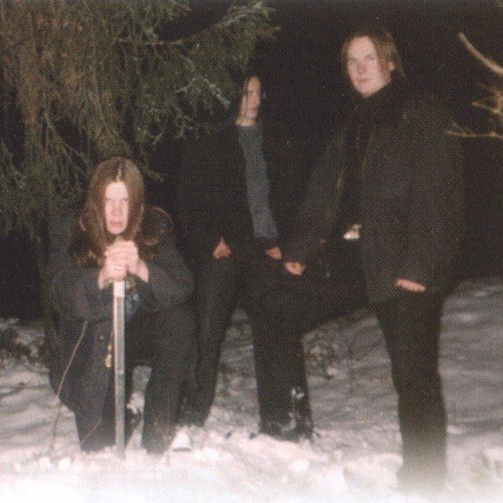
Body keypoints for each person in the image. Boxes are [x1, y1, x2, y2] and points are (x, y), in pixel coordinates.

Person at [283, 25, 464, 492]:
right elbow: (325, 190)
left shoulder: (420, 112)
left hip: (412, 266)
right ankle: (419, 477)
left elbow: (437, 191)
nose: (360, 69)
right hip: (381, 266)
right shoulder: (356, 124)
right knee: (406, 375)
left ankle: (424, 484)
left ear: (390, 62)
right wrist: (300, 247)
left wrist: (420, 264)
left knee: (415, 376)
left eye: (369, 58)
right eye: (352, 61)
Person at [177, 74, 312, 440]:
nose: (255, 100)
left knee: (276, 328)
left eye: (258, 92)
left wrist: (285, 240)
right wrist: (210, 241)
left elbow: (294, 193)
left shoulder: (275, 140)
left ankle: (283, 419)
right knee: (207, 329)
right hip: (226, 250)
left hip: (267, 248)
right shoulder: (211, 142)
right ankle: (190, 413)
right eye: (247, 93)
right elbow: (189, 199)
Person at [47, 157, 196, 454]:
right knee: (99, 448)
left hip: (139, 329)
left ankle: (158, 429)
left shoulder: (154, 226)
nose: (116, 212)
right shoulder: (72, 228)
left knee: (180, 321)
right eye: (109, 201)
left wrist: (141, 268)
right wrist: (100, 277)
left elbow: (182, 285)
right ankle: (120, 416)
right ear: (96, 201)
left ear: (137, 203)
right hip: (95, 342)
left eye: (125, 202)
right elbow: (59, 292)